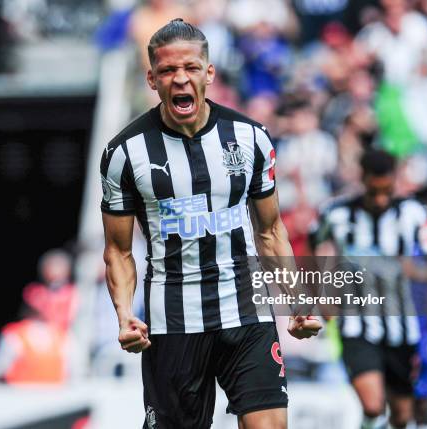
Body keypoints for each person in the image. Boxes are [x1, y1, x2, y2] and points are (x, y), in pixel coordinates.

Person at [100, 18, 322, 429]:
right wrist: (124, 315)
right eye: (167, 70)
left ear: (209, 73)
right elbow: (118, 250)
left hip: (246, 309)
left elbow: (271, 231)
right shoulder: (125, 153)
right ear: (152, 78)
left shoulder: (251, 137)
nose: (180, 79)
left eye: (190, 68)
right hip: (173, 322)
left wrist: (298, 302)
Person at [311, 149, 427, 429]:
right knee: (373, 405)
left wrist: (416, 271)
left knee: (402, 417)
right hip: (356, 324)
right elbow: (316, 249)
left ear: (394, 181)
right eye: (374, 190)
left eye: (386, 191)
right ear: (363, 179)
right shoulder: (337, 214)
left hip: (402, 326)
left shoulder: (415, 214)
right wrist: (325, 289)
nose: (381, 199)